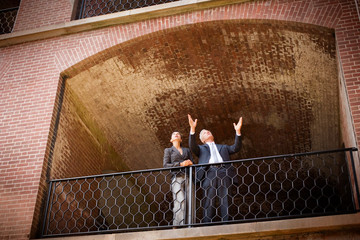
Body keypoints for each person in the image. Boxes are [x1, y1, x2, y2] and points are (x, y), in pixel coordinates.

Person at [188, 114, 243, 223]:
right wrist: (193, 129)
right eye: (204, 133)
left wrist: (238, 131)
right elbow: (192, 145)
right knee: (209, 200)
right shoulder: (200, 149)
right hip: (209, 173)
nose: (207, 132)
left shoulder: (223, 147)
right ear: (202, 140)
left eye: (208, 131)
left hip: (224, 172)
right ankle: (207, 225)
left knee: (226, 198)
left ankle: (226, 223)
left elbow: (236, 147)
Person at [163, 131, 194, 226]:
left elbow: (192, 163)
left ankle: (190, 226)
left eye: (178, 134)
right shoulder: (168, 150)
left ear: (180, 139)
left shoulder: (186, 150)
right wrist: (181, 164)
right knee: (180, 200)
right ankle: (178, 225)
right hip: (176, 178)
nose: (176, 134)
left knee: (190, 203)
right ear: (171, 140)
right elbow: (165, 165)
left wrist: (190, 163)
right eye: (173, 134)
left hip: (188, 177)